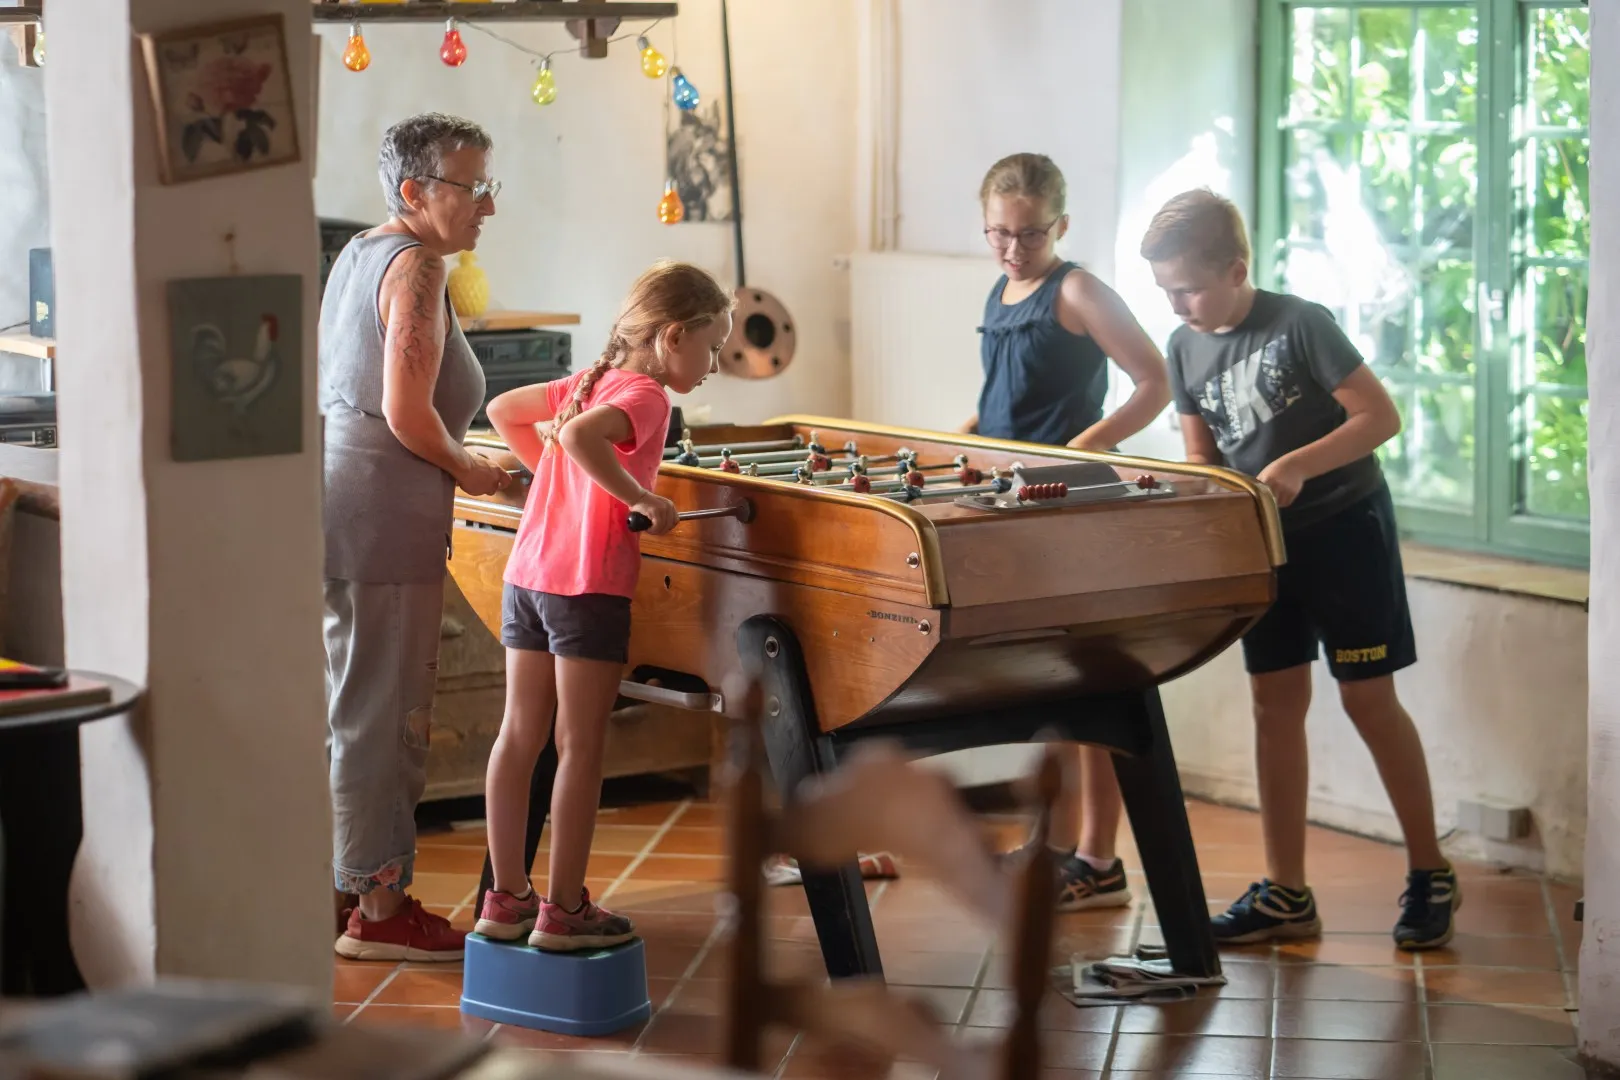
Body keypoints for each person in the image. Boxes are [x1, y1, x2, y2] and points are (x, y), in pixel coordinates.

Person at [1139, 188, 1458, 950]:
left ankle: (1431, 871)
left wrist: (1296, 465)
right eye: (1165, 291)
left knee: (1367, 701)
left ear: (1236, 269)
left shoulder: (1301, 324)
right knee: (1274, 705)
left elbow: (1380, 417)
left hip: (1347, 532)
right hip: (1268, 546)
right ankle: (1286, 893)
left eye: (1188, 288)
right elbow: (1203, 460)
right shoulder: (1183, 347)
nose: (1176, 305)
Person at [473, 262, 734, 950]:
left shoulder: (591, 382)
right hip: (586, 586)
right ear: (673, 336)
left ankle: (506, 899)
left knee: (518, 735)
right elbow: (581, 439)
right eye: (711, 346)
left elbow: (504, 411)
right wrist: (641, 497)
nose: (714, 365)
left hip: (528, 578)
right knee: (579, 745)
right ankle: (563, 910)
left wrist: (549, 481)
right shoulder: (647, 395)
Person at [320, 112, 512, 962]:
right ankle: (381, 907)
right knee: (387, 714)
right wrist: (472, 468)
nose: (487, 206)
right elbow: (407, 412)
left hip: (348, 507)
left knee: (353, 705)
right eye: (474, 187)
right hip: (383, 517)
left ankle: (340, 890)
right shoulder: (421, 266)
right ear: (414, 190)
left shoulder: (362, 251)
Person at [963, 153, 1171, 913]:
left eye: (1030, 235)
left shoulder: (1077, 290)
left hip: (1069, 501)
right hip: (1015, 497)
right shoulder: (1001, 288)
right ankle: (1055, 845)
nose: (1013, 249)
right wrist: (967, 438)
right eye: (999, 233)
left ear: (1061, 226)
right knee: (1048, 683)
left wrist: (1084, 448)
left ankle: (1098, 859)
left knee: (1091, 686)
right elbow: (1007, 398)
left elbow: (1155, 381)